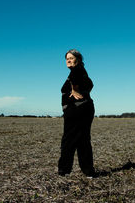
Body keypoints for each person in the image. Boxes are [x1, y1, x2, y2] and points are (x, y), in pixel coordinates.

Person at [58, 49, 96, 177]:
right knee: (83, 140)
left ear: (78, 60)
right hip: (84, 109)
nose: (68, 60)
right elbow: (91, 84)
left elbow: (75, 77)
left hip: (77, 110)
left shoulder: (77, 70)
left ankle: (64, 171)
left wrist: (74, 89)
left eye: (71, 58)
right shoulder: (82, 72)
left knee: (69, 140)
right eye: (66, 58)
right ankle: (88, 171)